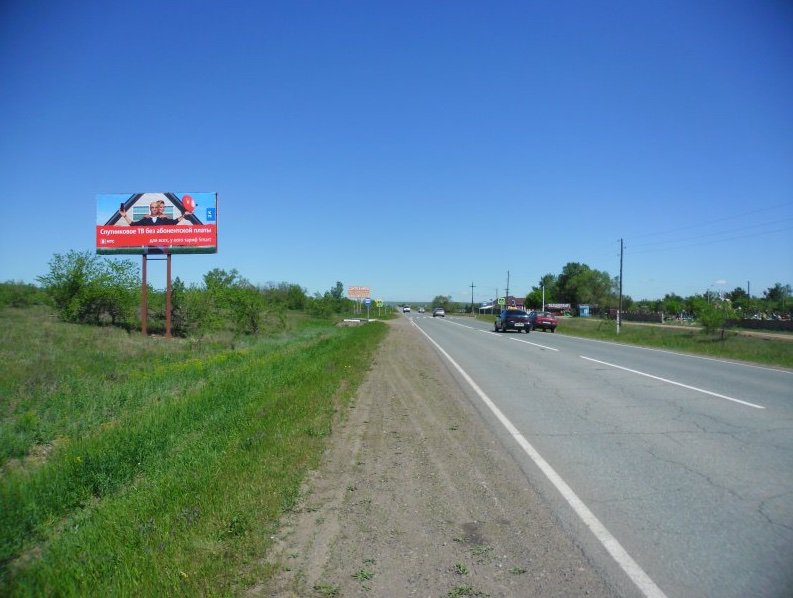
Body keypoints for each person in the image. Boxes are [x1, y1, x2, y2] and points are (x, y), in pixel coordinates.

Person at [120, 200, 192, 226]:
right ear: (150, 209)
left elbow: (174, 222)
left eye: (156, 207)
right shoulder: (146, 218)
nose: (154, 209)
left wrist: (184, 215)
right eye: (152, 207)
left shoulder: (163, 218)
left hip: (162, 245)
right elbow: (133, 225)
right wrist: (125, 216)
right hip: (148, 246)